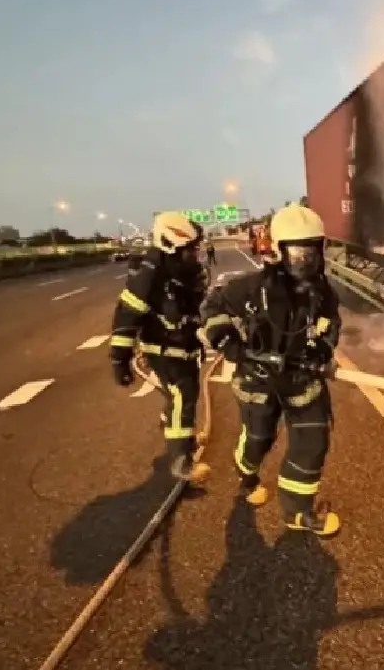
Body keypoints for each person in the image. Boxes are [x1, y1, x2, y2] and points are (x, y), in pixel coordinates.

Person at [199, 204, 342, 536]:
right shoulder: (250, 288)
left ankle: (298, 512)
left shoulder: (323, 294)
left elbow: (331, 323)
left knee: (312, 442)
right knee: (259, 440)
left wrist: (322, 348)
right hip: (258, 381)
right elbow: (212, 307)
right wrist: (231, 344)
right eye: (297, 252)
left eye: (311, 251)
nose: (304, 260)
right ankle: (246, 470)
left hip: (302, 382)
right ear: (279, 250)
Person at [108, 211, 210, 484]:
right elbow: (127, 314)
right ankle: (180, 461)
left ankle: (180, 434)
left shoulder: (178, 271)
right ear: (170, 245)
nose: (194, 255)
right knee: (182, 396)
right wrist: (120, 359)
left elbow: (190, 309)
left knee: (185, 395)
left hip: (181, 346)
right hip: (163, 349)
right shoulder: (150, 275)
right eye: (188, 250)